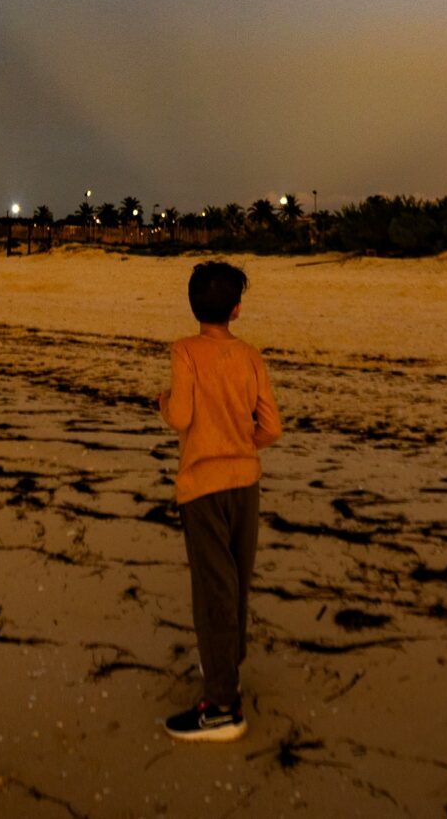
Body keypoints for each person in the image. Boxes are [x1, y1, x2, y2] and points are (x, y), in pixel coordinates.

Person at [157, 259, 283, 741]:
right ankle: (227, 672)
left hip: (203, 487)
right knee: (236, 582)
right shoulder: (250, 356)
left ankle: (222, 706)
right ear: (237, 309)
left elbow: (182, 415)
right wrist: (240, 442)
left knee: (214, 592)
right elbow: (270, 427)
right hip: (245, 484)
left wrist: (163, 401)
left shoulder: (185, 352)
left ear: (193, 308)